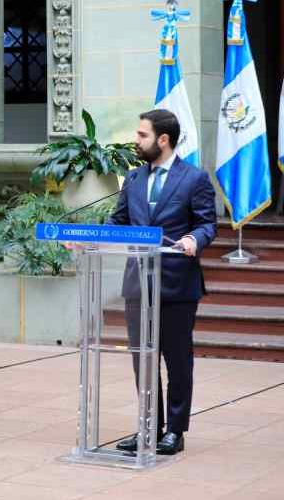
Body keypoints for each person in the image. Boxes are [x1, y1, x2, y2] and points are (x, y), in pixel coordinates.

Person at [109, 109, 216, 455]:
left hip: (176, 284)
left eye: (142, 135)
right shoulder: (134, 179)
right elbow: (119, 221)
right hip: (138, 283)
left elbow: (207, 224)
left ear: (163, 140)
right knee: (143, 359)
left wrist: (193, 240)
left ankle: (175, 430)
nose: (136, 141)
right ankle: (148, 429)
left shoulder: (194, 179)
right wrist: (82, 237)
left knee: (176, 359)